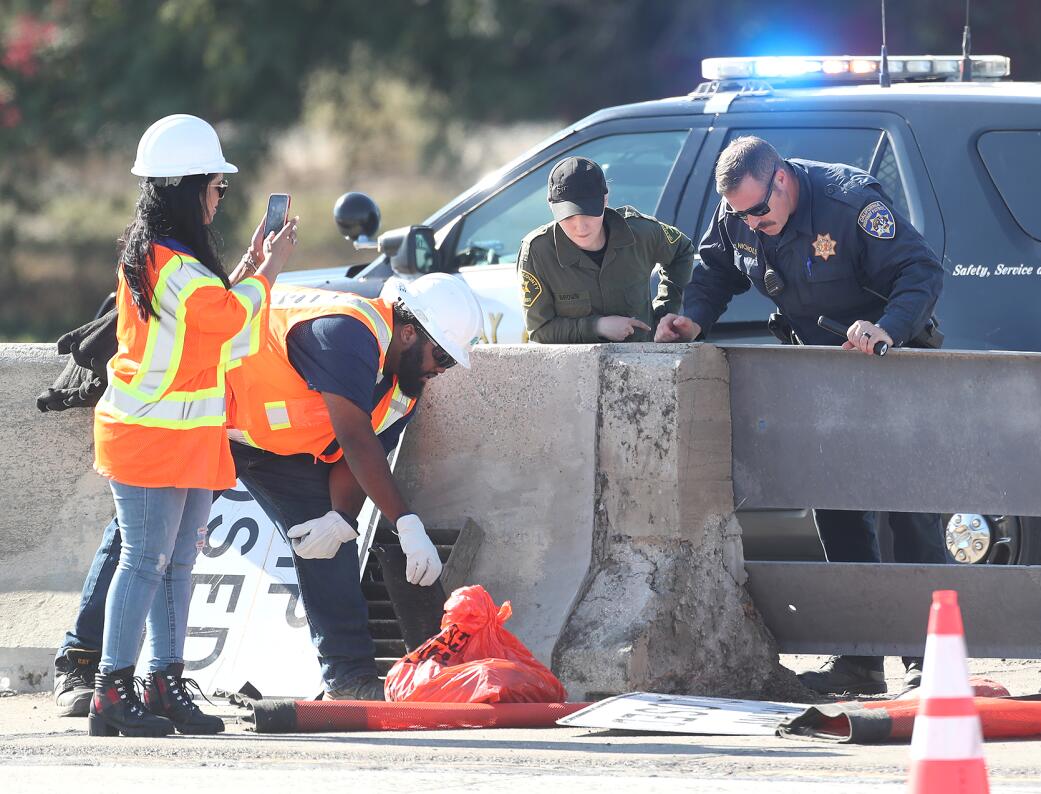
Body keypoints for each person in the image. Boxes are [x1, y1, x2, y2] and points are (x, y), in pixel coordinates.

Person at [54, 274, 483, 712]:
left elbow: (353, 460)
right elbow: (356, 438)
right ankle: (80, 662)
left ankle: (349, 677)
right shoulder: (347, 331)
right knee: (142, 536)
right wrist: (406, 523)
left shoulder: (403, 390)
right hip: (207, 420)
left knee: (327, 542)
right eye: (442, 356)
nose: (441, 370)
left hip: (274, 448)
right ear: (409, 332)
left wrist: (340, 517)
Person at [655, 136, 947, 697]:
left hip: (889, 370)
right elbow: (715, 271)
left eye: (758, 210)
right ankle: (859, 660)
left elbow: (920, 271)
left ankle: (926, 661)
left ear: (782, 180)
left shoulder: (849, 204)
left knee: (910, 514)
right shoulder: (741, 211)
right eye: (740, 214)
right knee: (837, 510)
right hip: (823, 377)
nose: (751, 223)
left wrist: (888, 324)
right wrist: (693, 318)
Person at [87, 114, 297, 737]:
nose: (218, 197)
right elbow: (229, 322)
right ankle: (112, 690)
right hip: (151, 437)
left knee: (174, 563)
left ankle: (162, 682)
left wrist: (250, 266)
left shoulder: (169, 258)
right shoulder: (172, 263)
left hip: (179, 437)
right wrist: (272, 269)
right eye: (216, 186)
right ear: (188, 186)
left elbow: (209, 321)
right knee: (147, 561)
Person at [518, 156, 694, 343]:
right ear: (550, 205)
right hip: (574, 369)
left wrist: (664, 314)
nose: (580, 227)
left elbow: (682, 250)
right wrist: (597, 326)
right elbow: (539, 331)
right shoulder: (537, 252)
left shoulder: (641, 233)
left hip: (643, 364)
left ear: (605, 200)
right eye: (568, 217)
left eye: (588, 213)